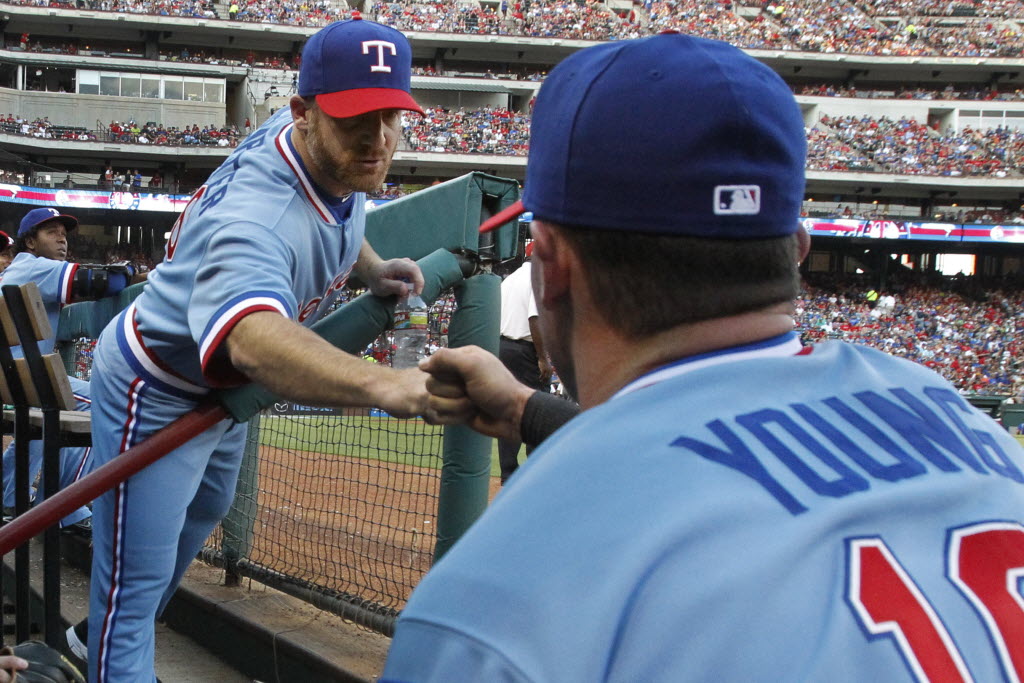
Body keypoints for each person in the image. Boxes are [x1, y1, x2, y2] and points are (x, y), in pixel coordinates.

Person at [387, 33, 1024, 681]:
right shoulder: (960, 422)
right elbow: (734, 465)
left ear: (549, 267)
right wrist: (527, 409)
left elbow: (691, 475)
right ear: (797, 247)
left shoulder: (501, 592)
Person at [85, 18, 428, 682]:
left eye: (391, 114)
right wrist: (384, 385)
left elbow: (338, 211)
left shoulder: (321, 152)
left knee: (209, 506)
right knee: (132, 589)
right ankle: (104, 653)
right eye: (358, 117)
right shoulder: (259, 213)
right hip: (155, 383)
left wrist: (373, 268)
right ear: (302, 113)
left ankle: (96, 637)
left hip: (220, 390)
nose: (379, 137)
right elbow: (254, 340)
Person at [0, 208, 144, 534]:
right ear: (30, 242)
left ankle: (11, 494)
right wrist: (131, 269)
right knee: (108, 401)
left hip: (17, 380)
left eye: (64, 233)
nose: (62, 237)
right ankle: (64, 504)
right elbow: (106, 282)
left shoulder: (21, 268)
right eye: (51, 231)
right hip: (28, 380)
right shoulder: (39, 267)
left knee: (53, 408)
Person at [496, 241, 551, 483]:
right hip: (525, 350)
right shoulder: (537, 278)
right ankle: (535, 472)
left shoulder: (508, 280)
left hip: (501, 347)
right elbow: (535, 317)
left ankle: (508, 472)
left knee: (510, 409)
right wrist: (543, 358)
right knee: (537, 406)